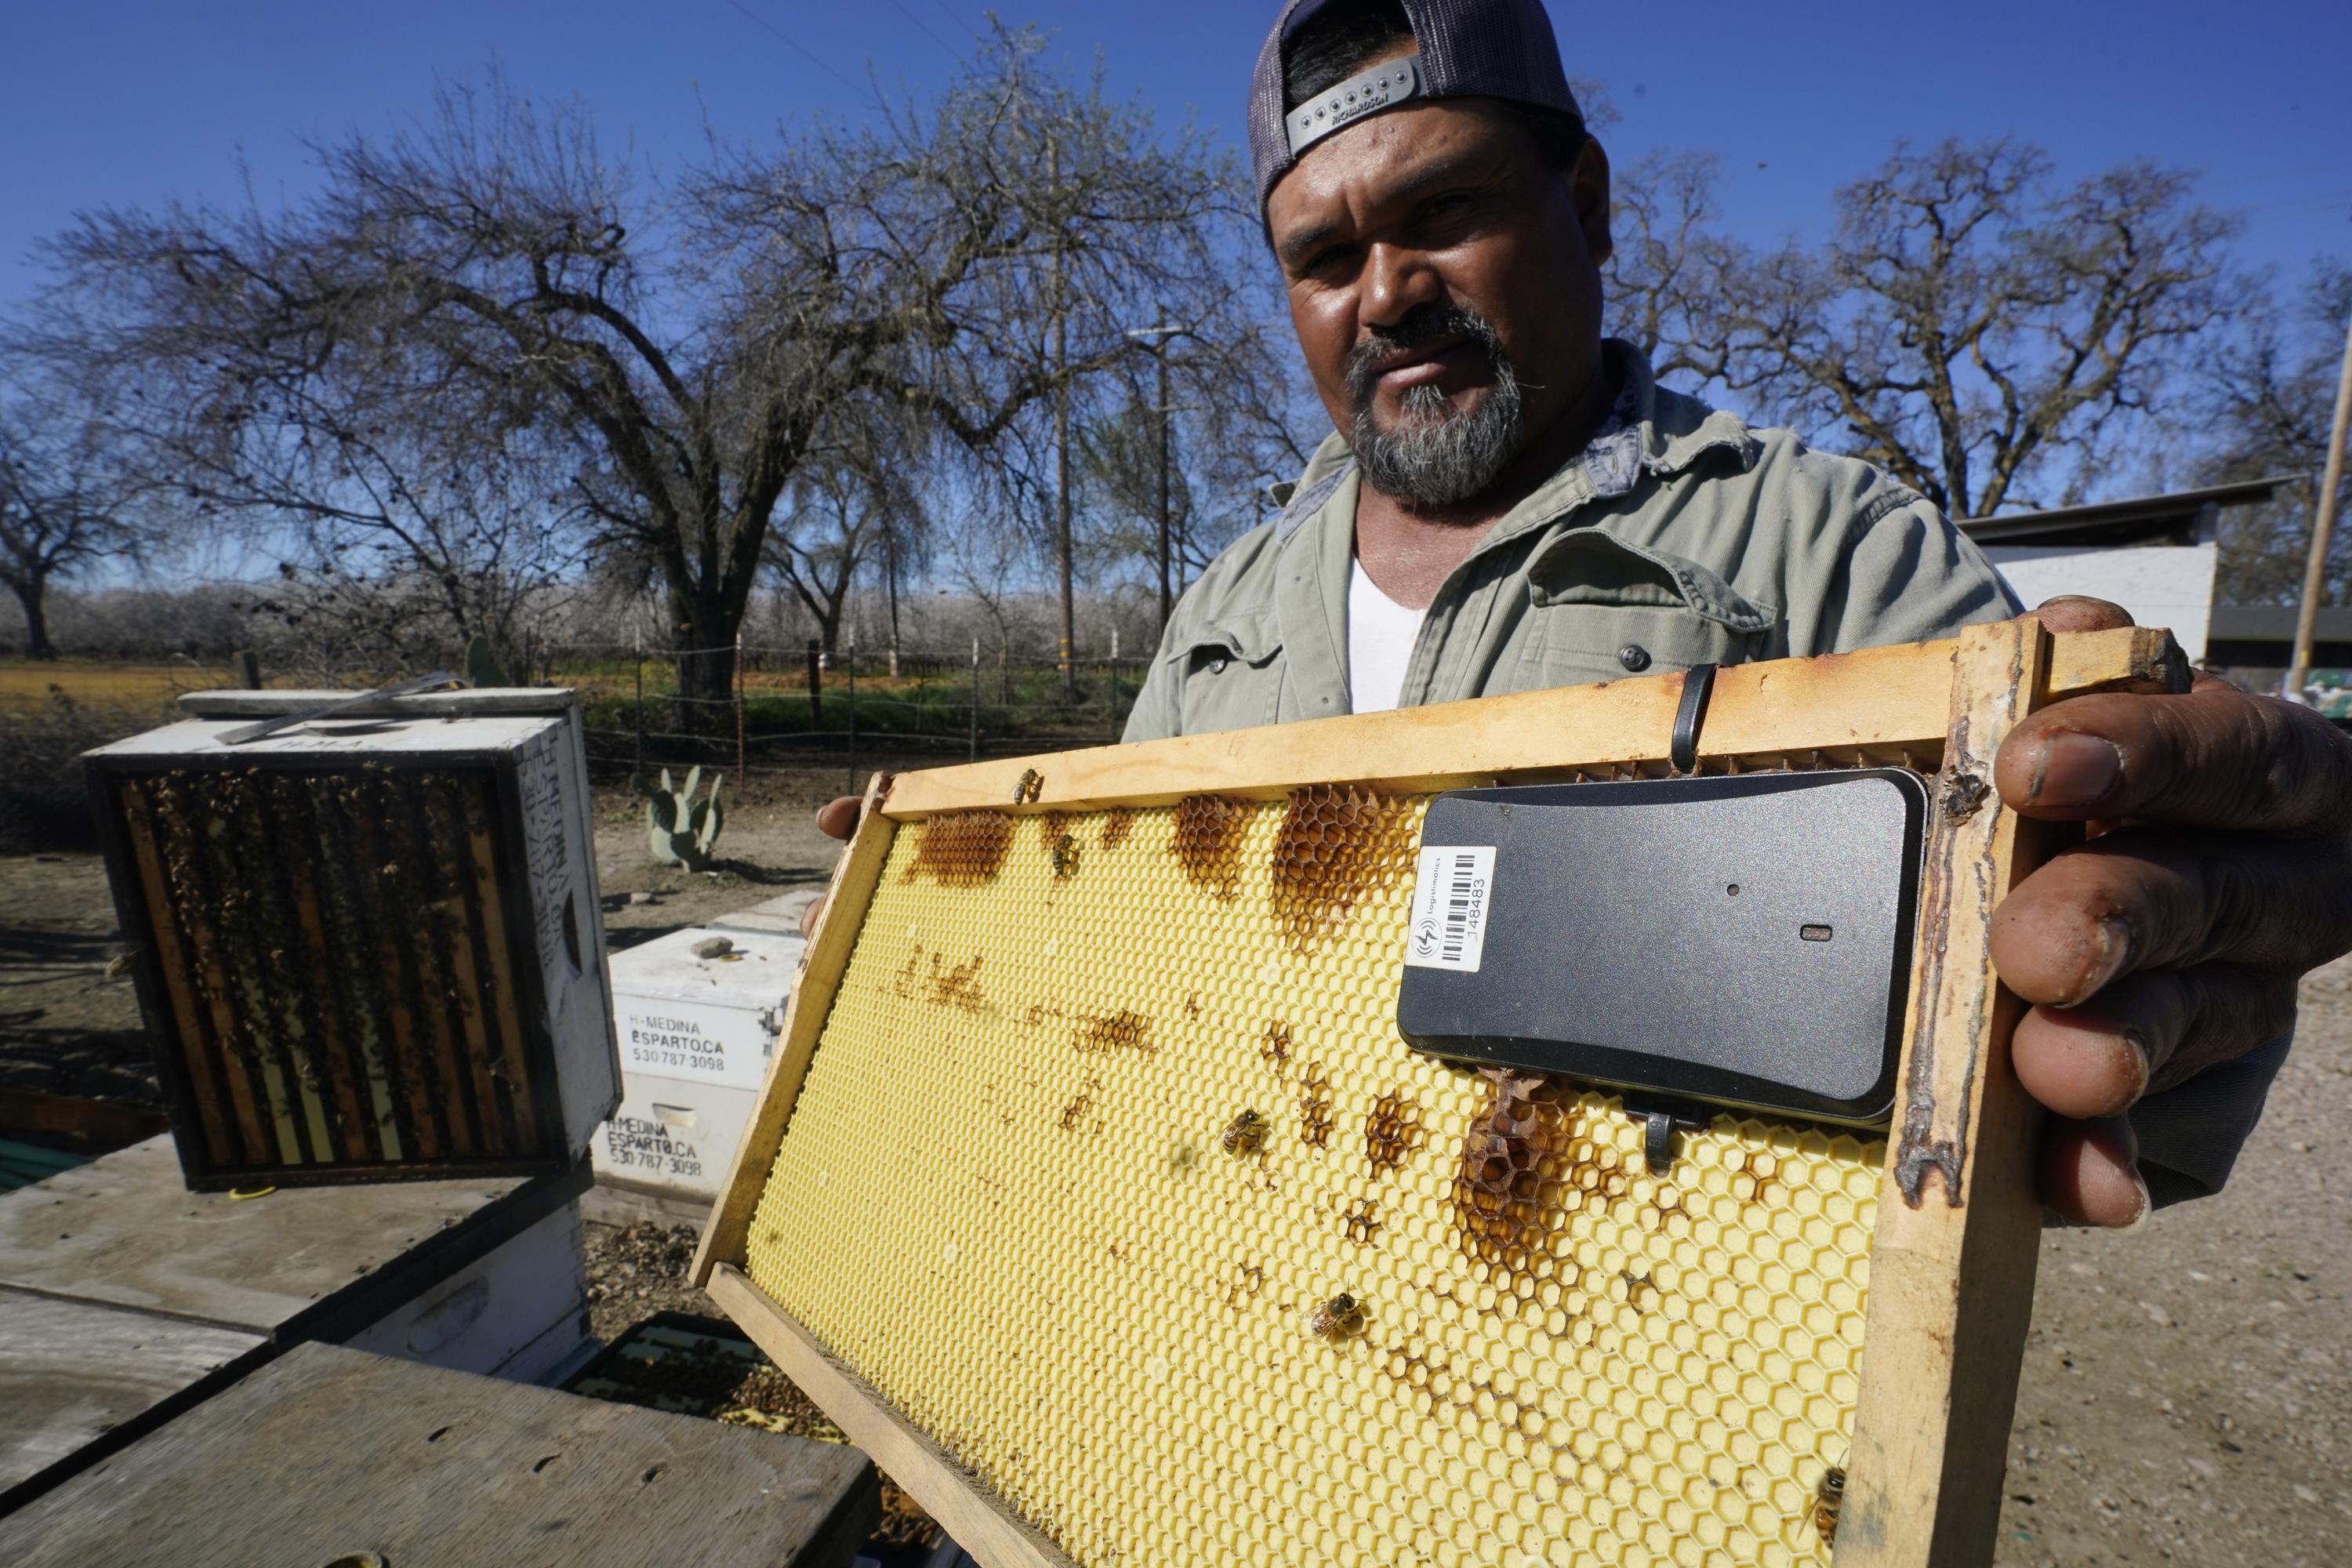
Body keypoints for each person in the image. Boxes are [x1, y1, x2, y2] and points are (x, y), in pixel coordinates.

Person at [811, 0, 2352, 1229]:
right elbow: (1117, 975)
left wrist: (2181, 941)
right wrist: (946, 947)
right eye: (1325, 258)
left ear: (1588, 202)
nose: (1390, 290)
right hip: (1234, 1369)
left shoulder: (1822, 550)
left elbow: (2087, 1010)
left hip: (1613, 1425)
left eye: (1444, 210)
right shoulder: (1223, 606)